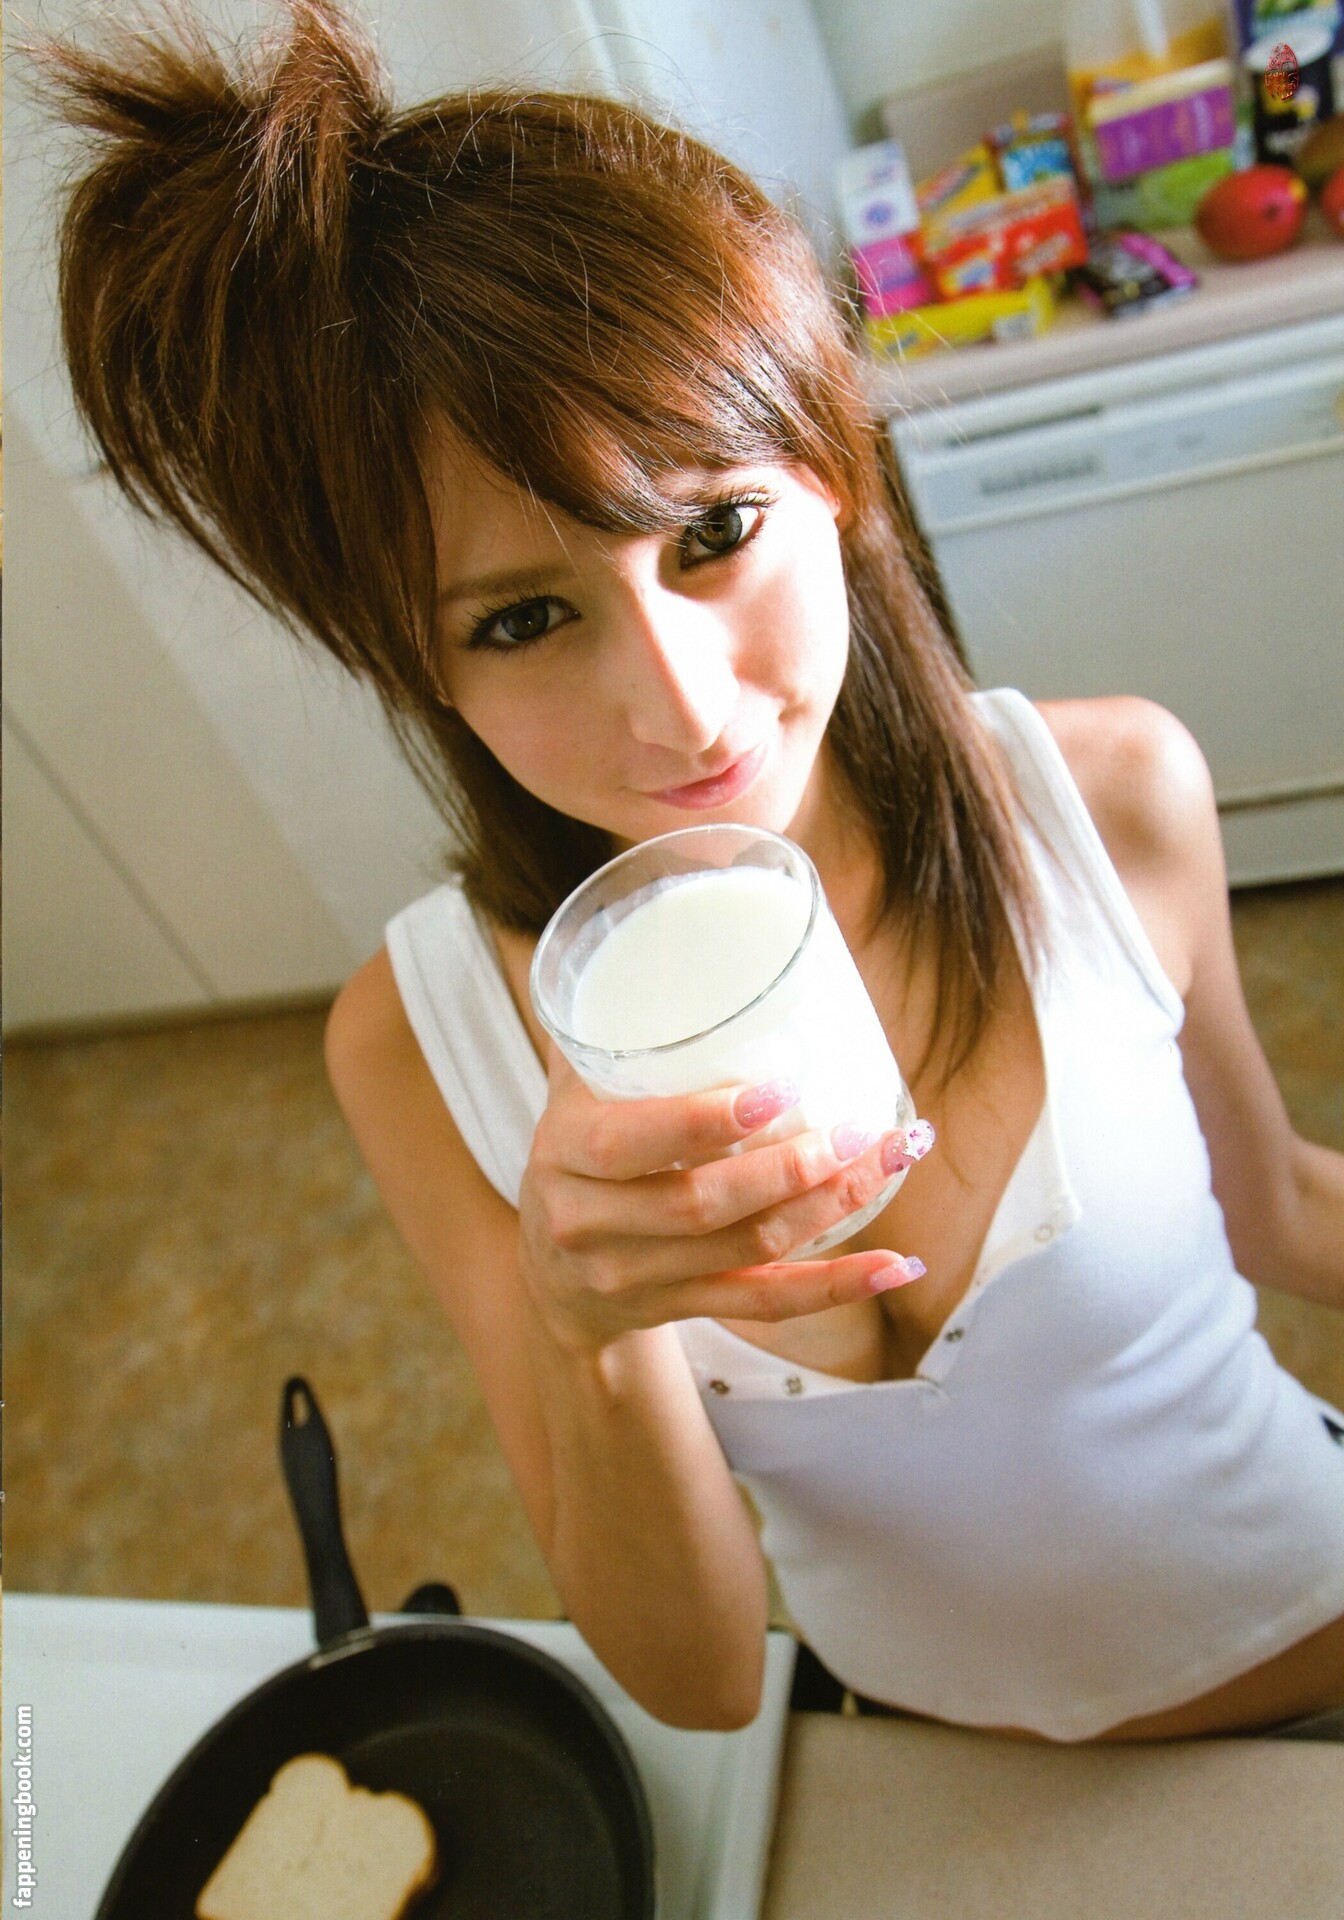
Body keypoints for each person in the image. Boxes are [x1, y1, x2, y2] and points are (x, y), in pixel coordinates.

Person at [40, 0, 1344, 1742]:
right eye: (523, 619)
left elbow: (1278, 1206)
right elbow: (703, 1679)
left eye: (714, 530)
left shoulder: (1104, 802)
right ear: (423, 669)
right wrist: (589, 1330)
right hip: (932, 1774)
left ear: (836, 470)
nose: (682, 706)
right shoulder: (421, 1044)